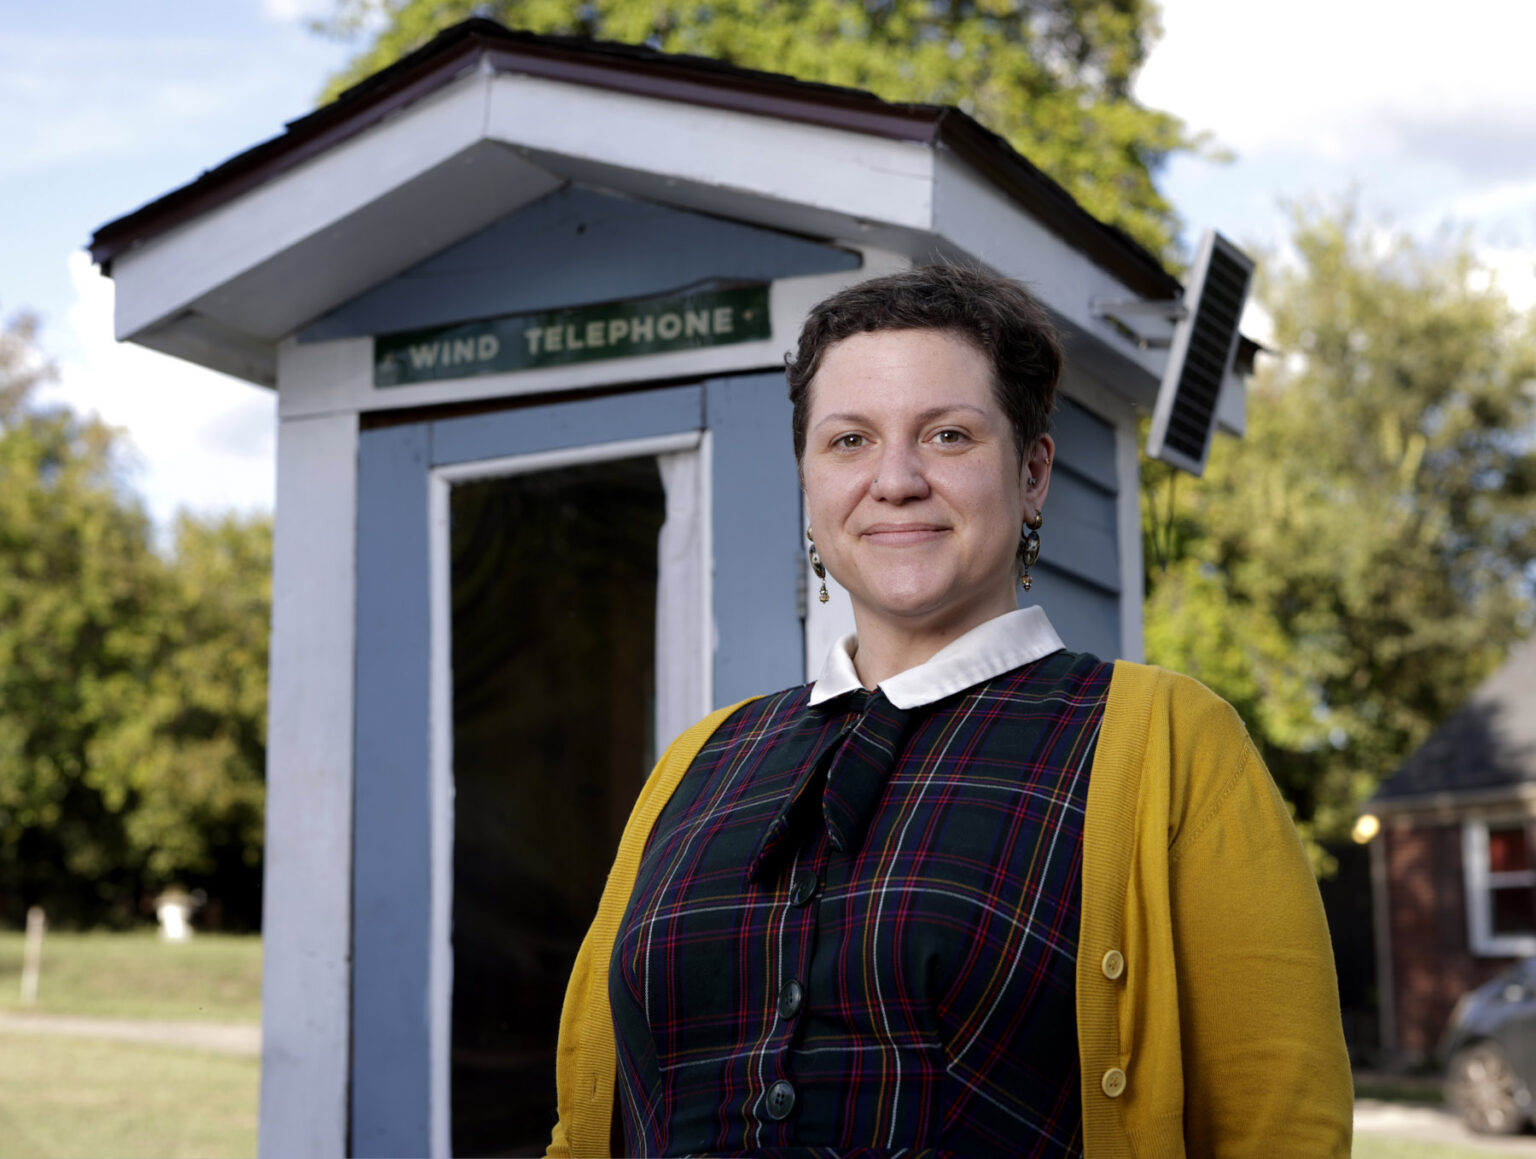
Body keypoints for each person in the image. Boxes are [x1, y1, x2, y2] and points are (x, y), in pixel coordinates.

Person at [547, 265, 1353, 1158]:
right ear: (809, 485)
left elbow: (1282, 1126)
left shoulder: (1169, 742)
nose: (895, 480)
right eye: (849, 440)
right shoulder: (699, 760)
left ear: (1033, 471)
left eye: (948, 435)